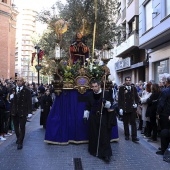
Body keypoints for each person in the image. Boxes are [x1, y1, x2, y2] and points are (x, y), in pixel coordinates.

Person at [83, 80, 113, 162]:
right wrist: (85, 116)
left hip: (103, 117)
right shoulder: (89, 95)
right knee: (94, 134)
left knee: (104, 135)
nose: (94, 88)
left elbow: (110, 106)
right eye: (92, 87)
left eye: (95, 86)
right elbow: (87, 107)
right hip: (93, 117)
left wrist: (105, 102)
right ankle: (94, 151)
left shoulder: (105, 94)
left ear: (99, 86)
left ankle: (106, 154)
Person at [10, 77, 32, 150]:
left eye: (20, 81)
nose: (19, 82)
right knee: (16, 128)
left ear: (23, 82)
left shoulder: (27, 91)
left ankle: (20, 142)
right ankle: (18, 138)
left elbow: (29, 102)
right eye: (18, 81)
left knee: (22, 127)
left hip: (23, 111)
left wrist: (29, 112)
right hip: (14, 111)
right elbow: (10, 101)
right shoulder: (12, 90)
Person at [118, 76, 139, 142]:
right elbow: (120, 99)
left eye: (129, 80)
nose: (128, 81)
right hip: (125, 108)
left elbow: (136, 98)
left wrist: (136, 104)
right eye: (127, 80)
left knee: (133, 123)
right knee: (125, 123)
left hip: (132, 108)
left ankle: (134, 137)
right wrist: (120, 108)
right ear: (125, 81)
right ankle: (127, 135)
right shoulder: (121, 89)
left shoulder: (133, 88)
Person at [156, 76, 170, 155]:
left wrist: (158, 113)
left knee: (164, 132)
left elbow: (161, 103)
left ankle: (164, 150)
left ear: (167, 82)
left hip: (165, 114)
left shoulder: (165, 91)